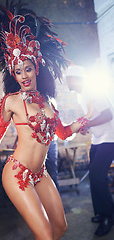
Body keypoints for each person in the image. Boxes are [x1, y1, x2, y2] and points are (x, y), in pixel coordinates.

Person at [0, 2, 91, 240]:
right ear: (13, 73)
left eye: (27, 69)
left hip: (40, 173)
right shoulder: (11, 101)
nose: (23, 76)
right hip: (17, 173)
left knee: (60, 228)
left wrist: (82, 122)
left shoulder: (48, 102)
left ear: (36, 69)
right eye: (18, 71)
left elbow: (61, 133)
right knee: (45, 235)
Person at [66, 65, 114, 237]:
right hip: (98, 139)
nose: (66, 81)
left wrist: (88, 125)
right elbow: (94, 117)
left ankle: (109, 216)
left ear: (76, 79)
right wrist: (87, 127)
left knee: (98, 176)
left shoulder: (92, 92)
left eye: (68, 78)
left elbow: (108, 115)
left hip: (110, 139)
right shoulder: (81, 95)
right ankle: (101, 212)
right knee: (94, 176)